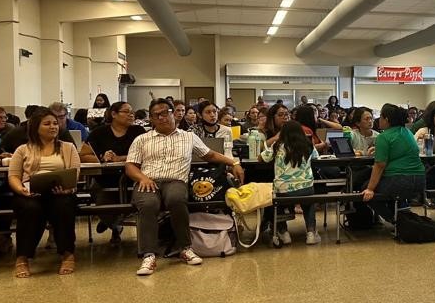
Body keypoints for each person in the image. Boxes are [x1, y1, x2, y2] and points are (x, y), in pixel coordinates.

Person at [127, 99, 245, 276]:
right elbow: (130, 166)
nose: (162, 117)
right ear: (151, 119)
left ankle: (185, 248)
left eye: (165, 112)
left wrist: (233, 162)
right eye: (157, 115)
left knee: (176, 199)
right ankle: (149, 255)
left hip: (175, 181)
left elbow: (210, 155)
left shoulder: (188, 137)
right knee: (148, 204)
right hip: (148, 181)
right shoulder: (141, 139)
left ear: (173, 113)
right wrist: (142, 178)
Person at [6, 110, 82, 277]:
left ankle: (68, 254)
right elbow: (13, 176)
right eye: (47, 124)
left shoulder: (68, 147)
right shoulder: (22, 150)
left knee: (64, 206)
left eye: (55, 123)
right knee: (30, 208)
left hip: (60, 192)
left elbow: (75, 173)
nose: (53, 127)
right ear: (35, 127)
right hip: (29, 193)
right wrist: (21, 190)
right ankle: (22, 258)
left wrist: (67, 188)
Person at [80, 101, 147, 242]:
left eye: (132, 112)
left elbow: (147, 153)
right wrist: (101, 158)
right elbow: (83, 155)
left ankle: (113, 221)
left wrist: (119, 158)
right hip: (105, 181)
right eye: (126, 111)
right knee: (102, 206)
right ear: (114, 114)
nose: (131, 114)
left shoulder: (138, 132)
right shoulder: (99, 133)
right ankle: (114, 225)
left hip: (133, 179)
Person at [361, 103, 426, 221]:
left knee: (366, 190)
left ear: (386, 119)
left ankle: (395, 220)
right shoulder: (407, 132)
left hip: (399, 180)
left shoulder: (383, 137)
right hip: (420, 180)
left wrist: (370, 189)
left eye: (380, 116)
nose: (378, 119)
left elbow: (380, 165)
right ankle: (405, 217)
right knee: (393, 191)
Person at [260, 120, 320, 245]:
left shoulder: (277, 145)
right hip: (306, 188)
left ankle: (284, 232)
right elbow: (316, 157)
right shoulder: (308, 144)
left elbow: (262, 158)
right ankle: (311, 232)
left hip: (283, 189)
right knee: (308, 202)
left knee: (278, 201)